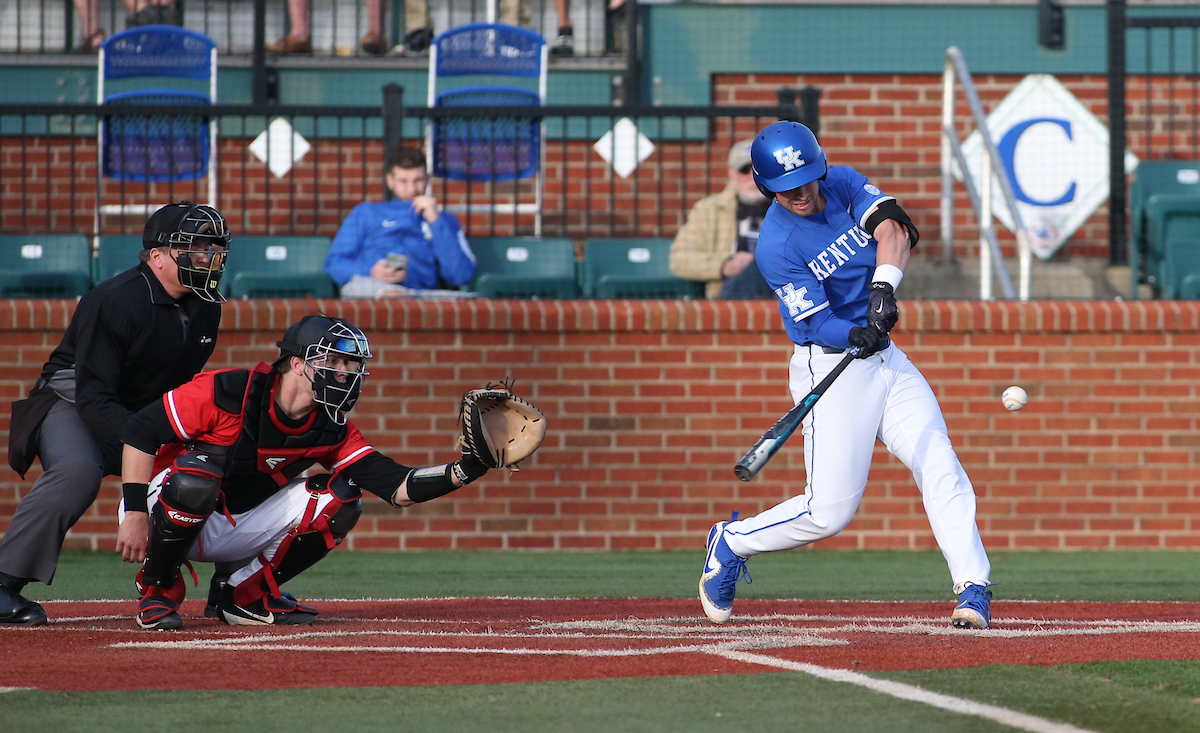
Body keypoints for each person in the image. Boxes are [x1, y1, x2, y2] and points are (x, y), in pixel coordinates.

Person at [698, 121, 994, 630]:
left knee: (938, 460)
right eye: (788, 187)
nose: (803, 193)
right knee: (828, 513)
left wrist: (883, 289)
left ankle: (973, 587)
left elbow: (893, 229)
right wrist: (855, 331)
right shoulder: (776, 245)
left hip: (887, 362)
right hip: (830, 363)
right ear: (768, 186)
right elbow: (815, 322)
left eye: (808, 180)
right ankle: (731, 541)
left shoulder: (842, 183)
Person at [115, 315, 494, 629]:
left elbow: (398, 487)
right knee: (197, 478)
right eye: (336, 362)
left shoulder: (332, 426)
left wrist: (468, 468)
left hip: (233, 520)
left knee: (343, 498)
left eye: (353, 365)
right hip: (160, 503)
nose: (347, 374)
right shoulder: (229, 389)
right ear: (298, 364)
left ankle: (244, 597)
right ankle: (157, 589)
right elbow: (140, 431)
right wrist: (133, 513)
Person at [0, 202, 230, 626]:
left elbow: (180, 390)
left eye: (211, 247)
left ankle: (233, 584)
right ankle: (3, 583)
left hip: (143, 408)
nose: (206, 257)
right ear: (157, 256)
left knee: (220, 456)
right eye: (193, 247)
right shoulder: (114, 300)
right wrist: (147, 442)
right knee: (77, 471)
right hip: (75, 402)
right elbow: (93, 397)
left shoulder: (207, 305)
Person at [324, 146, 476, 299]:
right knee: (361, 288)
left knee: (469, 299)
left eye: (418, 180)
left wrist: (435, 221)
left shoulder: (444, 220)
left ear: (428, 180)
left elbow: (460, 275)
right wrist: (370, 271)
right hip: (373, 290)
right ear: (390, 181)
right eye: (403, 181)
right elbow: (334, 265)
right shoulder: (366, 213)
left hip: (420, 296)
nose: (411, 189)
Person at [669, 138, 774, 300]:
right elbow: (680, 258)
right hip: (732, 293)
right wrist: (726, 265)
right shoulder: (710, 210)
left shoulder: (788, 205)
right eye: (745, 170)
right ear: (732, 175)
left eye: (758, 169)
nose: (752, 177)